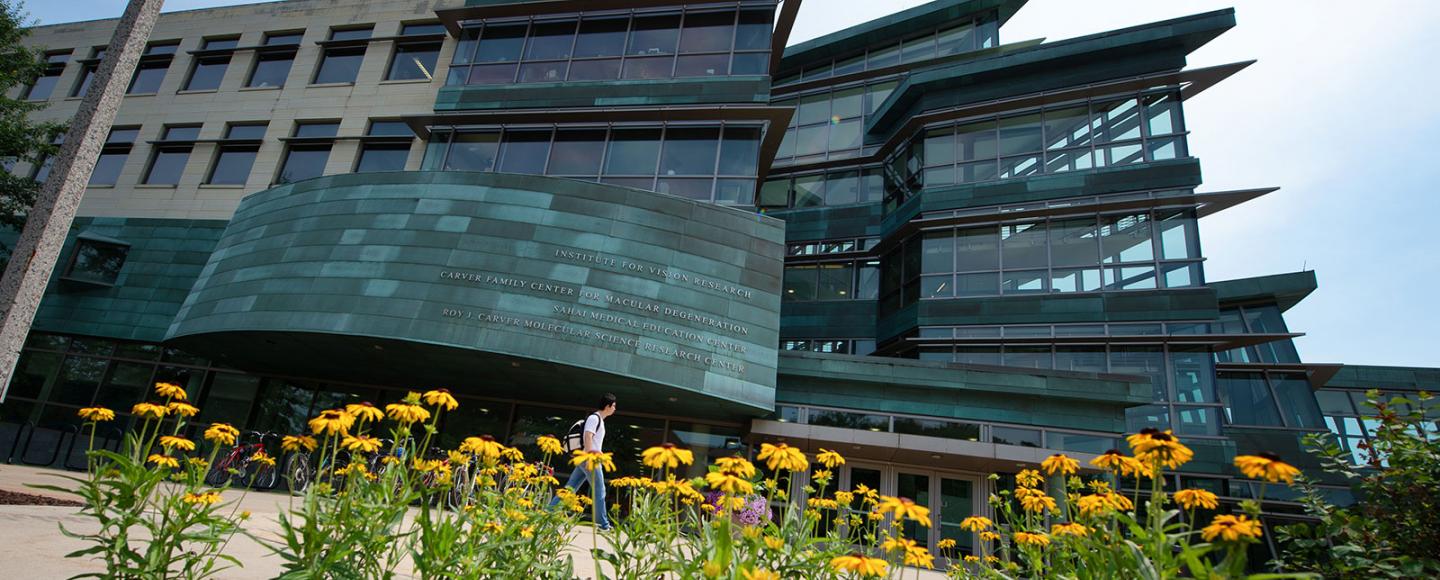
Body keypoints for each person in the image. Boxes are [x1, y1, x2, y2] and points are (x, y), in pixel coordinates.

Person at [552, 393, 616, 530]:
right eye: (614, 406)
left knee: (570, 488)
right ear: (607, 406)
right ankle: (603, 525)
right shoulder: (594, 418)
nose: (615, 409)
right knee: (600, 489)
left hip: (589, 458)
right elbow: (588, 436)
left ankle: (549, 511)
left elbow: (594, 441)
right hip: (589, 459)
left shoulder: (599, 420)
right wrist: (589, 457)